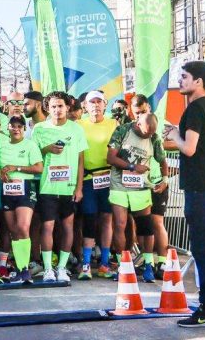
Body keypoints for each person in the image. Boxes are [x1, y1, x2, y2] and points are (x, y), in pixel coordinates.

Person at [164, 61, 205, 328]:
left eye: (185, 76)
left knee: (204, 249)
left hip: (202, 190)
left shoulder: (196, 109)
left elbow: (189, 148)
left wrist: (173, 134)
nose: (180, 80)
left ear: (198, 81)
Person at [107, 95, 166, 283]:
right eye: (146, 133)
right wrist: (132, 167)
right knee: (120, 224)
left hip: (140, 187)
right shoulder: (122, 130)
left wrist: (164, 179)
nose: (148, 136)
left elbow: (162, 161)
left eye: (152, 133)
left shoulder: (154, 138)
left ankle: (149, 265)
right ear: (138, 124)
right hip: (119, 184)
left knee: (145, 226)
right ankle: (123, 265)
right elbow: (111, 158)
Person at [32, 92, 87, 282]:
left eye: (61, 106)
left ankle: (62, 268)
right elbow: (32, 156)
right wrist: (47, 149)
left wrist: (79, 188)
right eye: (53, 106)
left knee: (68, 227)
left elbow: (81, 161)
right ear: (47, 108)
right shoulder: (39, 129)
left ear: (67, 107)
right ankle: (48, 268)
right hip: (47, 187)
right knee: (47, 227)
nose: (57, 110)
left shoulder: (76, 129)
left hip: (68, 188)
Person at [76, 90, 119, 279]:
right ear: (85, 106)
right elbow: (78, 156)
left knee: (107, 219)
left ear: (105, 104)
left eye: (98, 102)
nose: (95, 106)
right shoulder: (78, 125)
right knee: (89, 218)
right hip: (87, 178)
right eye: (91, 102)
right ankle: (86, 264)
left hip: (108, 177)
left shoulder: (113, 124)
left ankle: (104, 263)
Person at [0, 116, 41, 283]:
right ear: (8, 128)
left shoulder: (30, 145)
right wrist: (1, 174)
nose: (16, 129)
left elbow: (38, 167)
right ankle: (20, 269)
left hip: (26, 189)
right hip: (7, 191)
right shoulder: (2, 146)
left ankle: (25, 268)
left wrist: (17, 168)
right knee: (13, 230)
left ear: (24, 128)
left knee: (23, 227)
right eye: (13, 126)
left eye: (19, 126)